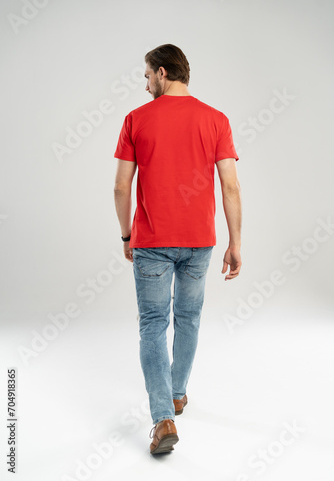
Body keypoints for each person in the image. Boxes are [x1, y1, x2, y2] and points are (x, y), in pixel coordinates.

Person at [113, 43, 242, 454]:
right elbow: (231, 185)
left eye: (148, 74)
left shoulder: (136, 119)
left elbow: (120, 186)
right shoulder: (216, 119)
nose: (145, 82)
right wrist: (235, 242)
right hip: (199, 242)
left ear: (164, 73)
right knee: (188, 317)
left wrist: (126, 235)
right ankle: (178, 393)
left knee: (153, 324)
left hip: (152, 241)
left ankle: (162, 418)